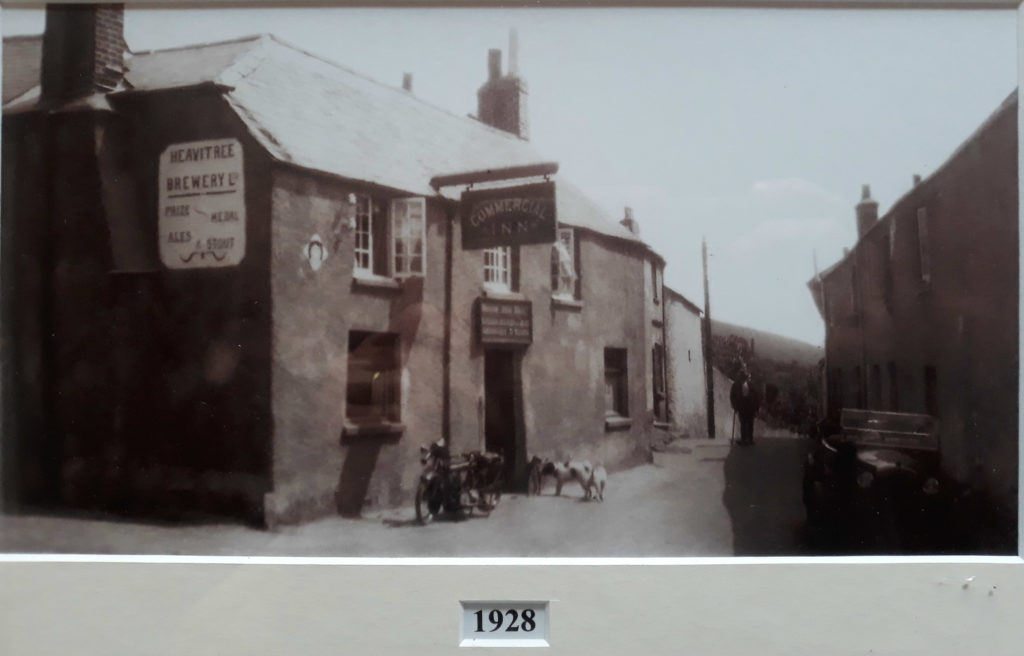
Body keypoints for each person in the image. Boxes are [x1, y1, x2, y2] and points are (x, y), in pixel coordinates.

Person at [730, 368, 760, 446]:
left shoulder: (751, 385)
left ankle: (750, 439)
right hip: (741, 406)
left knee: (750, 423)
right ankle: (743, 440)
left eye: (743, 376)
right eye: (741, 376)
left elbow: (756, 396)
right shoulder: (735, 385)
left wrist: (756, 407)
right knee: (743, 423)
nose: (742, 378)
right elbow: (732, 396)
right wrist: (734, 405)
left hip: (750, 406)